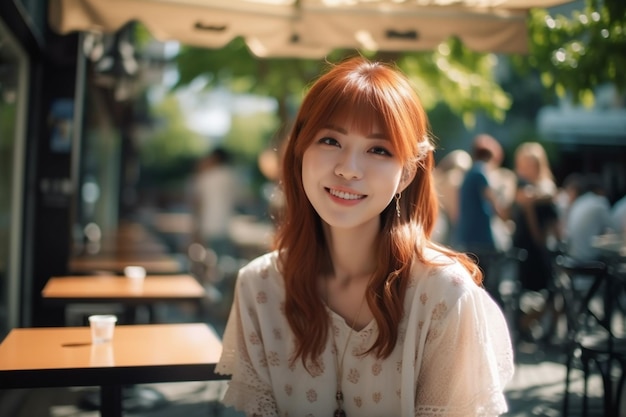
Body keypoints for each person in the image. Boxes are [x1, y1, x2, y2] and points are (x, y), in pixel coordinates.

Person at [215, 56, 514, 416]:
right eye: (329, 140)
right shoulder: (259, 288)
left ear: (406, 174)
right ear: (300, 152)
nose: (347, 169)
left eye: (378, 149)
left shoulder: (443, 297)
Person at [192, 146, 242, 260]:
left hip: (208, 225)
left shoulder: (205, 176)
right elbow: (241, 198)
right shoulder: (232, 176)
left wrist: (195, 227)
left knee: (209, 260)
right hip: (226, 225)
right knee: (224, 260)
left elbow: (198, 204)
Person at [564, 174, 612, 262]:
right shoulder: (600, 202)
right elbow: (612, 231)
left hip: (572, 258)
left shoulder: (579, 202)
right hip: (588, 260)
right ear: (600, 191)